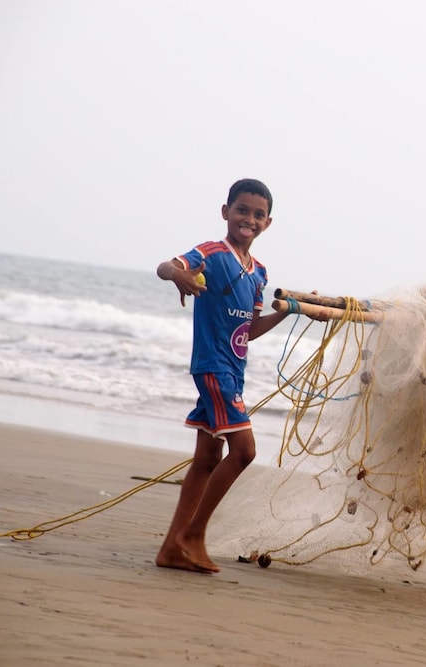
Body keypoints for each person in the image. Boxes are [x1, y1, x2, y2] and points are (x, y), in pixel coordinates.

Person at [154, 178, 324, 574]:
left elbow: (249, 328)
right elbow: (166, 266)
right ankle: (193, 535)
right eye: (242, 210)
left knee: (207, 458)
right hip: (213, 367)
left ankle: (171, 549)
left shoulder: (259, 273)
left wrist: (291, 310)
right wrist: (178, 276)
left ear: (268, 223)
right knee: (245, 452)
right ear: (225, 212)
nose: (249, 219)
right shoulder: (212, 254)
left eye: (258, 214)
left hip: (233, 370)